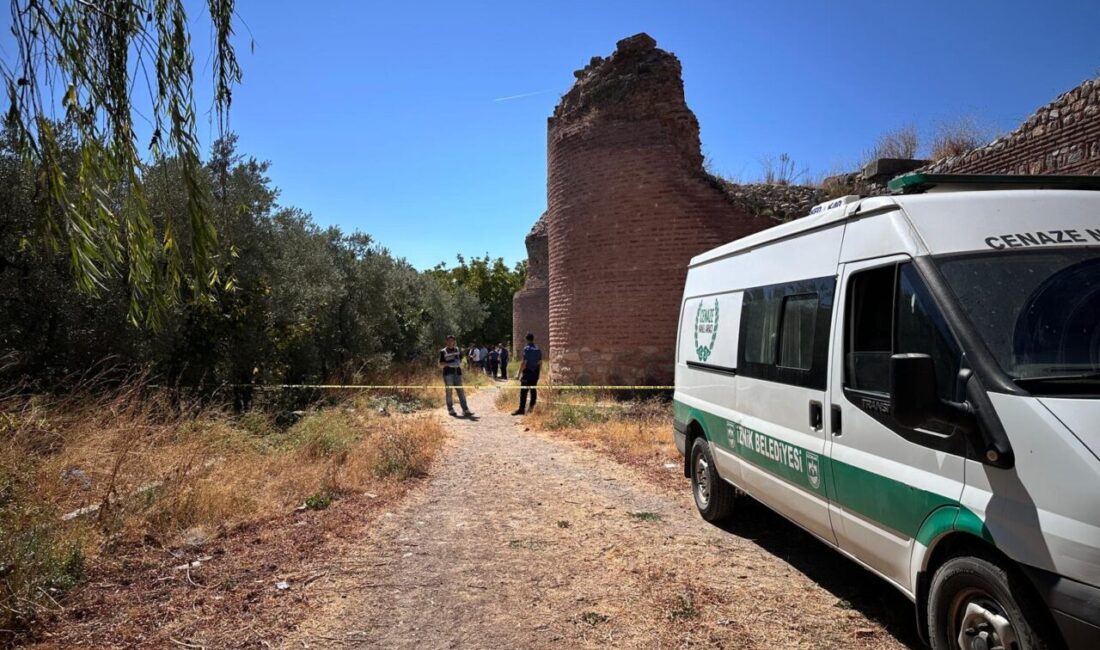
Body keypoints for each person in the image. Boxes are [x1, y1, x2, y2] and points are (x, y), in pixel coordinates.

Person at [440, 336, 472, 417]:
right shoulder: (443, 351)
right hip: (448, 374)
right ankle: (450, 409)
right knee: (449, 392)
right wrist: (450, 364)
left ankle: (465, 409)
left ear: (454, 341)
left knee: (461, 392)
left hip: (457, 373)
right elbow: (441, 363)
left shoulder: (457, 349)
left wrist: (458, 362)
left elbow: (460, 359)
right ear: (446, 342)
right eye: (449, 340)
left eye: (452, 340)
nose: (451, 342)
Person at [512, 333, 542, 415]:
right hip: (535, 372)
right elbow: (540, 362)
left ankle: (521, 409)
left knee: (524, 391)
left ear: (527, 340)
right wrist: (539, 373)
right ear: (533, 339)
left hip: (528, 372)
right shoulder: (538, 349)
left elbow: (524, 362)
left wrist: (518, 374)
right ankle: (531, 408)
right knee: (533, 390)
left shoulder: (527, 349)